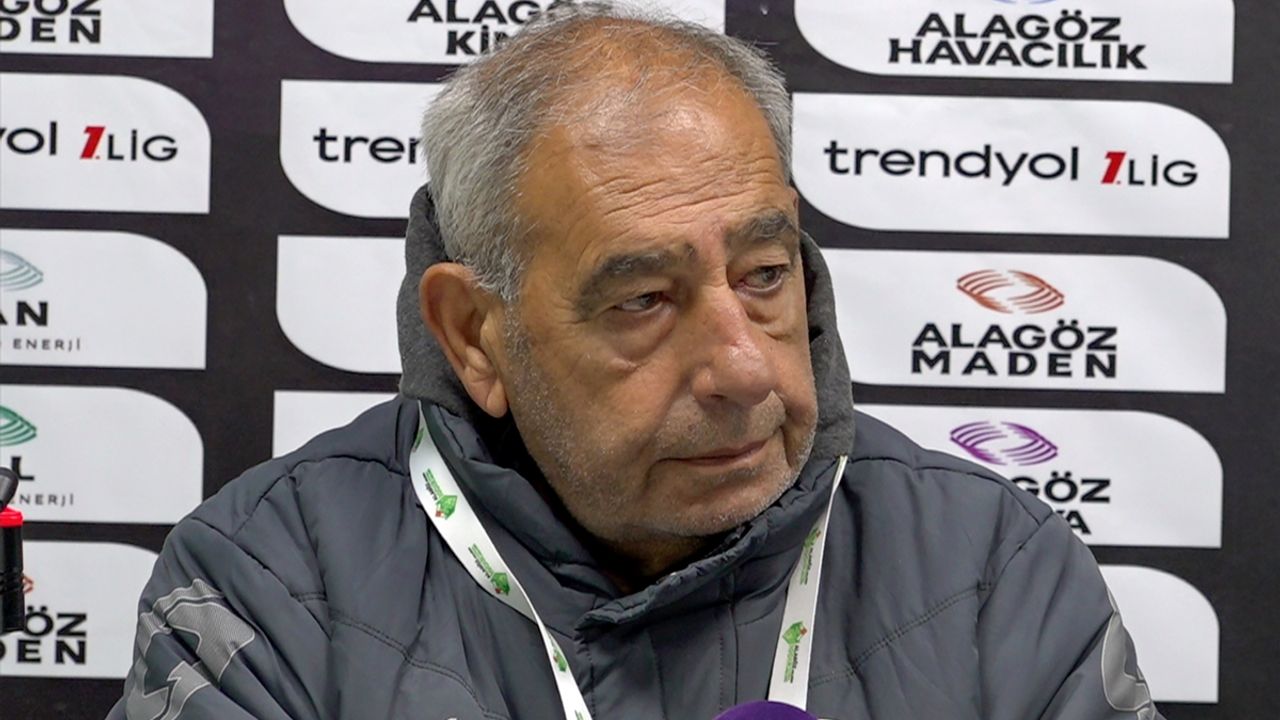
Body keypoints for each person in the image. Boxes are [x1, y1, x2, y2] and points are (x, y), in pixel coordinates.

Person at [109, 5, 1161, 719]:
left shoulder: (989, 570)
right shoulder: (272, 580)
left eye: (764, 274)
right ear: (474, 333)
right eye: (643, 301)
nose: (743, 371)